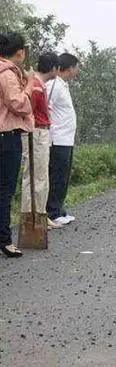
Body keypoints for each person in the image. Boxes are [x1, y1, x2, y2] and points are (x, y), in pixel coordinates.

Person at [0, 32, 35, 258]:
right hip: (6, 138)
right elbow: (19, 104)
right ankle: (4, 239)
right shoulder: (7, 73)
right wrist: (30, 84)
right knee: (4, 189)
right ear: (20, 52)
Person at [21, 52, 61, 231]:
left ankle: (41, 214)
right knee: (35, 176)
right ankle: (32, 216)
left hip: (42, 133)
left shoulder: (39, 84)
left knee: (41, 176)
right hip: (36, 133)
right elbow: (27, 110)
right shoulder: (36, 85)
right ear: (53, 68)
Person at [46, 53, 80, 226]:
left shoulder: (63, 85)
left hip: (66, 139)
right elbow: (46, 108)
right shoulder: (54, 85)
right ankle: (52, 212)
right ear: (70, 68)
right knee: (57, 175)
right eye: (77, 67)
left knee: (63, 175)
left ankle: (59, 209)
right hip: (57, 139)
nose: (77, 71)